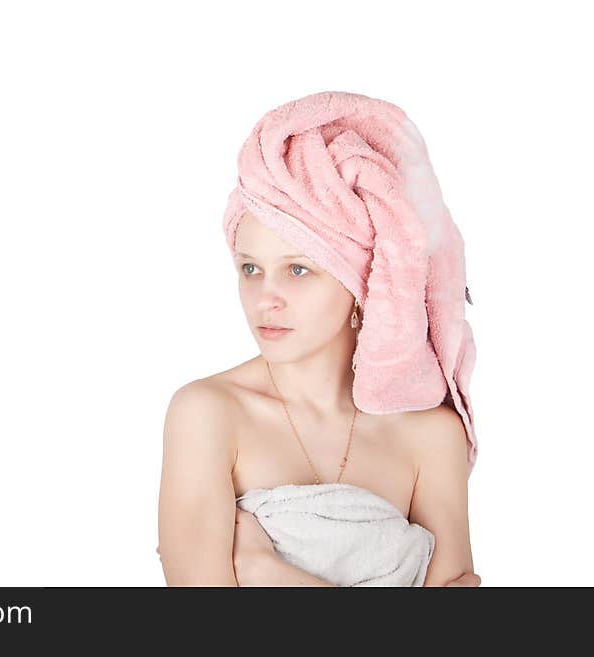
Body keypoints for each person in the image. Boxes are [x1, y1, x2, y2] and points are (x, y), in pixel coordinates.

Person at [157, 91, 481, 587]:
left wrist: (264, 572)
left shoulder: (432, 436)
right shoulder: (207, 413)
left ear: (360, 283)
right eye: (250, 269)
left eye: (298, 269)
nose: (266, 297)